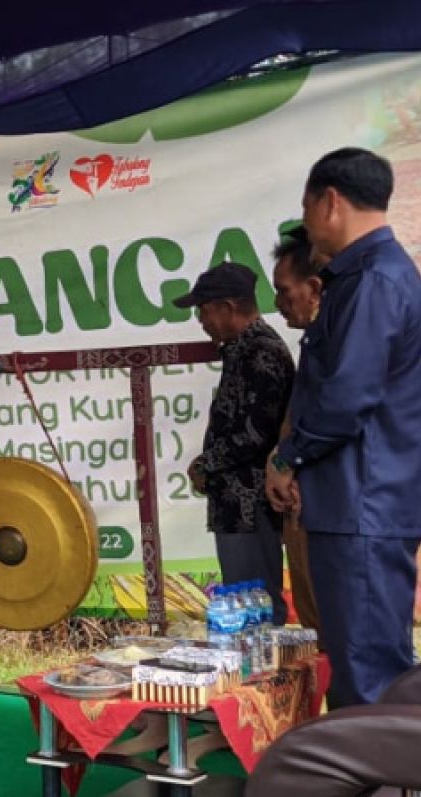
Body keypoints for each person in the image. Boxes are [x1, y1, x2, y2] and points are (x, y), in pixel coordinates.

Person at [266, 147, 421, 708]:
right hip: (357, 503)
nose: (307, 227)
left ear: (329, 202)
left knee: (367, 677)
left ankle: (377, 789)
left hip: (364, 504)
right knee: (362, 665)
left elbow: (348, 396)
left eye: (306, 210)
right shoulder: (364, 277)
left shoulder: (376, 281)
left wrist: (288, 457)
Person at [176, 262, 293, 624]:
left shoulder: (262, 352)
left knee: (254, 602)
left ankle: (269, 678)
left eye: (204, 310)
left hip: (251, 503)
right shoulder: (240, 350)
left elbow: (257, 434)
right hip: (235, 504)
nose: (200, 320)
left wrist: (205, 464)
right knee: (243, 603)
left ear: (228, 308)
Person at [269, 227, 325, 640]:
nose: (279, 303)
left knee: (347, 640)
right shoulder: (313, 342)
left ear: (315, 288)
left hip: (330, 507)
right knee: (318, 634)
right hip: (302, 506)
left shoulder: (342, 340)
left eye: (285, 292)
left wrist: (286, 460)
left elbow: (336, 417)